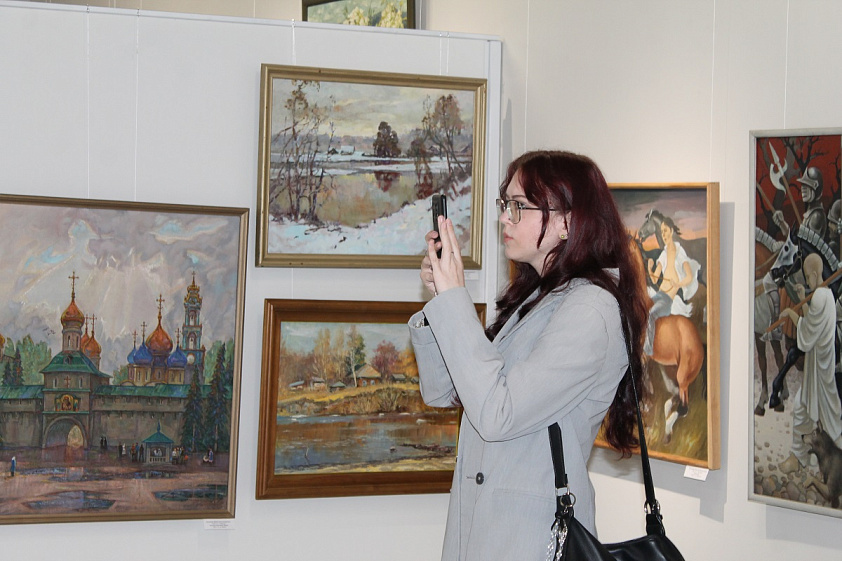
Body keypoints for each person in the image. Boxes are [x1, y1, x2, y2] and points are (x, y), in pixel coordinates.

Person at [409, 150, 648, 561]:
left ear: (567, 222)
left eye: (519, 206)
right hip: (486, 531)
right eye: (506, 204)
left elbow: (497, 412)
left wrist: (454, 300)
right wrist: (441, 302)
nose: (505, 218)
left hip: (532, 538)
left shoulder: (590, 309)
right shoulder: (537, 298)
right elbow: (443, 390)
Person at [777, 253, 842, 473]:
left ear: (815, 274)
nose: (806, 279)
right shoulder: (825, 295)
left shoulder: (821, 297)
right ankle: (799, 456)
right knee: (803, 408)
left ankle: (819, 460)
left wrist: (790, 313)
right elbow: (811, 323)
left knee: (816, 414)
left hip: (820, 371)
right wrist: (802, 298)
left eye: (807, 276)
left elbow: (806, 333)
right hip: (819, 367)